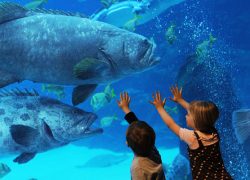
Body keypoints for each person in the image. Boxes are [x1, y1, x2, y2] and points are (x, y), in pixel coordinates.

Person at [150, 85, 232, 180]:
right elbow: (197, 113)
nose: (186, 115)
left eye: (188, 114)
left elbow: (171, 124)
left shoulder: (193, 137)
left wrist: (160, 108)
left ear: (197, 120)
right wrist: (180, 100)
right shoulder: (213, 132)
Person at [117, 92, 165, 180]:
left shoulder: (138, 168)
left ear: (127, 143)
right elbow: (138, 126)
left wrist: (125, 108)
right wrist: (126, 109)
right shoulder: (153, 153)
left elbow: (137, 126)